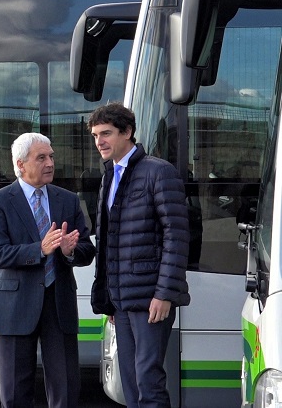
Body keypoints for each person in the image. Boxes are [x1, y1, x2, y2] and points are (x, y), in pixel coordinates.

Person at [87, 102, 190, 408]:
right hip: (122, 301)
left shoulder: (158, 172)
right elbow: (110, 242)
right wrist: (109, 297)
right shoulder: (109, 176)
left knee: (148, 381)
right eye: (95, 136)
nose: (99, 142)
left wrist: (164, 294)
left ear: (128, 132)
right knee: (130, 382)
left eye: (106, 133)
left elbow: (177, 235)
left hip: (150, 300)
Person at [0, 132, 95, 408]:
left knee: (66, 391)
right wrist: (39, 249)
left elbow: (87, 249)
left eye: (51, 156)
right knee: (14, 395)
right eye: (41, 157)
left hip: (59, 303)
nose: (50, 163)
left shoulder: (67, 200)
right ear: (20, 165)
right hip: (14, 305)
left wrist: (69, 252)